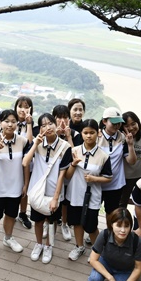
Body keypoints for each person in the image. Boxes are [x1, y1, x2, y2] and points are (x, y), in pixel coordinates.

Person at [23, 113, 71, 263]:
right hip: (38, 190)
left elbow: (63, 174)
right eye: (43, 125)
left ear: (56, 125)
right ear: (40, 128)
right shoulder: (38, 144)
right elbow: (25, 162)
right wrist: (35, 144)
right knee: (37, 221)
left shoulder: (65, 147)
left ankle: (49, 246)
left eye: (50, 123)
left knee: (52, 221)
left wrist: (56, 198)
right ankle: (38, 244)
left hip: (53, 191)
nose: (47, 127)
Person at [65, 119, 112, 261]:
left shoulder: (103, 156)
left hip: (93, 196)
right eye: (85, 133)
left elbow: (108, 178)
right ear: (81, 133)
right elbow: (67, 175)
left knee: (91, 226)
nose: (89, 136)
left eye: (92, 132)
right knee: (77, 222)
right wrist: (73, 164)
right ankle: (79, 246)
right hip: (74, 194)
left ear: (98, 133)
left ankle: (98, 251)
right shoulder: (74, 151)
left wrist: (94, 179)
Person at [0, 109, 30, 260]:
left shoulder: (22, 141)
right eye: (6, 121)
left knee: (11, 215)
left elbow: (25, 165)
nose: (10, 124)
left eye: (13, 121)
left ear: (17, 123)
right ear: (0, 123)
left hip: (15, 187)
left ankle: (8, 238)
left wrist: (25, 184)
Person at [82, 208, 141, 281]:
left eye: (127, 226)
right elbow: (93, 259)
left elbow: (138, 268)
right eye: (119, 225)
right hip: (106, 263)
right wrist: (110, 278)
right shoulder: (105, 234)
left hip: (125, 270)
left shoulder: (136, 241)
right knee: (94, 280)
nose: (123, 230)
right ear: (111, 224)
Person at [98, 107, 136, 223]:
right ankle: (93, 234)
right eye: (113, 123)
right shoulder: (97, 137)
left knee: (112, 212)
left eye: (119, 123)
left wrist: (130, 145)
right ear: (104, 121)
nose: (117, 125)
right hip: (97, 182)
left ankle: (110, 234)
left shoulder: (123, 138)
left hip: (115, 185)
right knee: (93, 209)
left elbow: (131, 161)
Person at [53, 104, 84, 242]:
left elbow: (75, 155)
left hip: (69, 173)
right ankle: (51, 224)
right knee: (52, 197)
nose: (62, 121)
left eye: (65, 117)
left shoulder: (76, 135)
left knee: (65, 201)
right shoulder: (50, 133)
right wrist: (57, 135)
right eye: (59, 118)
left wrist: (68, 137)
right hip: (53, 173)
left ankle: (64, 224)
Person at [13, 96, 34, 229]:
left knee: (24, 188)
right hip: (12, 161)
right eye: (20, 106)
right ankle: (11, 212)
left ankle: (22, 213)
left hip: (27, 162)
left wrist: (29, 123)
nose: (23, 109)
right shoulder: (10, 121)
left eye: (26, 107)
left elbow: (30, 142)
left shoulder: (33, 124)